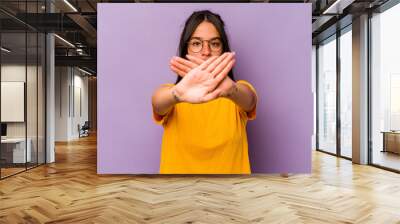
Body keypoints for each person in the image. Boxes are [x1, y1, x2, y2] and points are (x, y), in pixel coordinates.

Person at [152, 10, 257, 174]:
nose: (206, 51)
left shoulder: (236, 93)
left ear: (223, 49)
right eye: (196, 43)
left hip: (231, 194)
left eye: (214, 43)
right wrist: (177, 94)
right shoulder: (172, 94)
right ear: (186, 48)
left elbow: (250, 100)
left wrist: (231, 90)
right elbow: (158, 103)